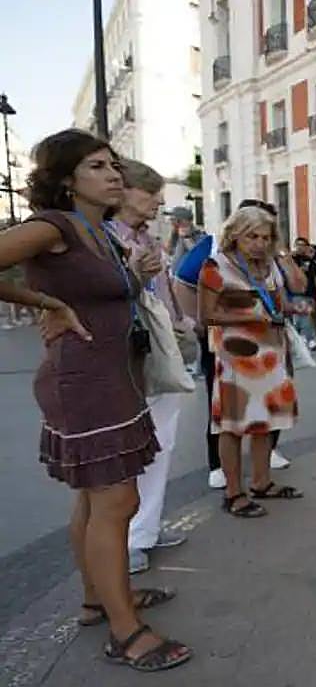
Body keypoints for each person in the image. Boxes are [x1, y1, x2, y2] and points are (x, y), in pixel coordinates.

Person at [0, 129, 190, 671]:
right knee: (116, 502)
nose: (114, 175)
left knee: (93, 499)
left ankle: (100, 599)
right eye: (98, 166)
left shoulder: (97, 229)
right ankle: (125, 632)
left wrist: (132, 276)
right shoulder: (53, 226)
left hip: (111, 379)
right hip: (84, 383)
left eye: (114, 165)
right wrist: (43, 302)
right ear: (66, 180)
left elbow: (102, 289)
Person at [176, 199, 301, 487]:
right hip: (234, 356)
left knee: (265, 423)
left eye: (265, 237)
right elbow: (207, 317)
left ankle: (261, 482)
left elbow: (276, 304)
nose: (259, 243)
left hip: (270, 353)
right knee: (231, 427)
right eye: (252, 236)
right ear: (235, 234)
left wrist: (290, 309)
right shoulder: (216, 265)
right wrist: (248, 316)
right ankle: (234, 492)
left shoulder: (268, 266)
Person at [108, 160, 189, 574]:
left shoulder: (148, 238)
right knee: (132, 446)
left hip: (161, 345)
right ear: (123, 192)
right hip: (129, 354)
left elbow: (165, 292)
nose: (159, 200)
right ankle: (127, 538)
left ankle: (147, 529)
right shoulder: (106, 236)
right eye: (150, 192)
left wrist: (182, 324)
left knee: (163, 442)